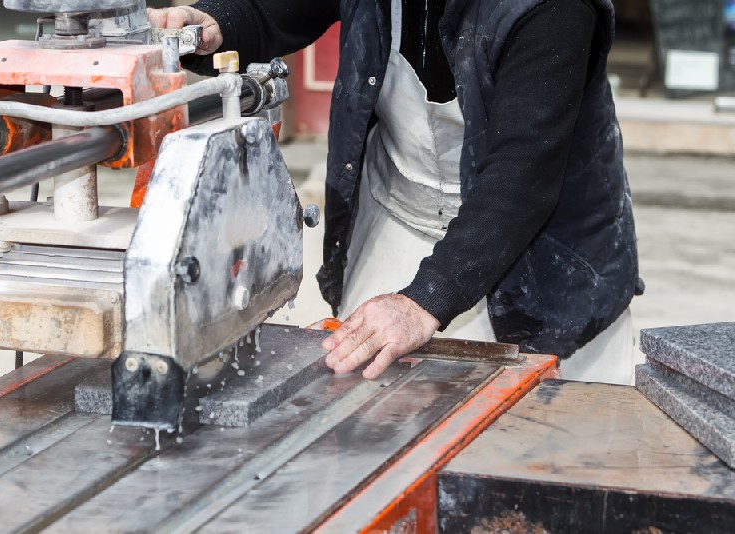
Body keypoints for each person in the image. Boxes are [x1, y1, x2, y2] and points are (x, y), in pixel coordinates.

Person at [147, 0, 643, 385]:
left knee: (537, 449)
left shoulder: (554, 11)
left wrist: (423, 302)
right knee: (361, 409)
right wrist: (215, 25)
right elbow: (272, 12)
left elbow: (520, 179)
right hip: (400, 215)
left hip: (539, 246)